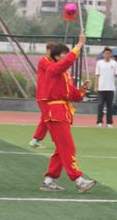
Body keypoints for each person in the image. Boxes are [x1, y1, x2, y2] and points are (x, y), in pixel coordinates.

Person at [37, 33, 96, 193]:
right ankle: (78, 180)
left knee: (61, 149)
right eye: (63, 54)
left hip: (62, 112)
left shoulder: (64, 74)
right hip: (55, 113)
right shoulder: (52, 69)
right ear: (56, 57)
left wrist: (82, 89)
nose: (66, 57)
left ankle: (49, 180)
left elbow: (73, 95)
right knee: (68, 148)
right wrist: (79, 45)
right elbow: (68, 62)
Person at [29, 42, 58, 149]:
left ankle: (35, 140)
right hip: (43, 95)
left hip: (49, 95)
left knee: (45, 119)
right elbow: (54, 69)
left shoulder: (52, 61)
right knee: (49, 118)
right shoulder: (44, 61)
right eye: (54, 52)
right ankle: (58, 140)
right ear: (48, 51)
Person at [94, 47, 117, 127]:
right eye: (106, 53)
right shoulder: (99, 63)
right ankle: (99, 122)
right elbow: (97, 75)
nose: (107, 55)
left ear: (111, 54)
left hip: (110, 88)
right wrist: (96, 86)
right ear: (103, 54)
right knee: (100, 105)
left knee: (110, 106)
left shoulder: (114, 63)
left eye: (109, 53)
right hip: (101, 88)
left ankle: (109, 122)